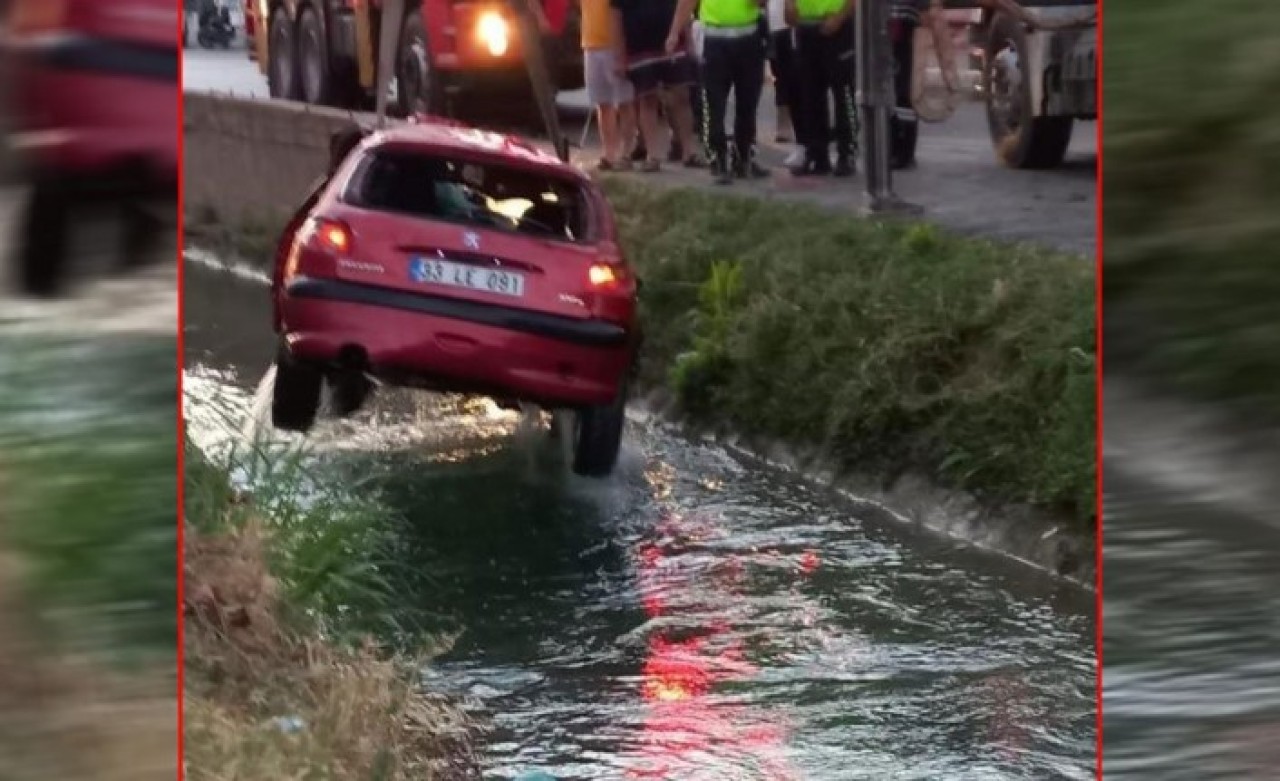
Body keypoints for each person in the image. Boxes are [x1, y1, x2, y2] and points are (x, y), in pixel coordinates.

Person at [669, 0, 769, 184]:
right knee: (714, 103)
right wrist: (674, 32)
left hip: (749, 38)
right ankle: (717, 158)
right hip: (714, 41)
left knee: (748, 102)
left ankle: (744, 156)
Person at [611, 0, 704, 172]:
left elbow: (683, 5)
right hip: (638, 46)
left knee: (681, 96)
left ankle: (689, 152)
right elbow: (616, 17)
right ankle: (652, 156)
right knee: (647, 100)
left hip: (673, 43)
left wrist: (689, 40)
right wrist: (619, 55)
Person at [787, 0, 858, 177]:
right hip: (806, 26)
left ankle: (847, 152)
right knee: (810, 95)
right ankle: (817, 154)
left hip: (838, 26)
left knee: (844, 95)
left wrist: (841, 16)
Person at [580, 0, 637, 170]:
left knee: (624, 101)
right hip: (591, 43)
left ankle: (627, 152)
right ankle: (609, 153)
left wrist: (623, 48)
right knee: (603, 103)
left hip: (615, 44)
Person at [766, 0, 805, 168]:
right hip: (776, 25)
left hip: (795, 24)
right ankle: (799, 141)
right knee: (784, 83)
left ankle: (809, 143)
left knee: (800, 86)